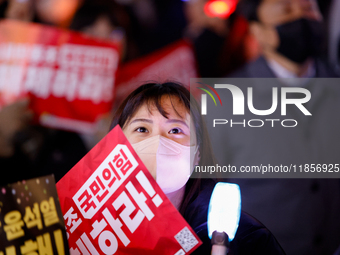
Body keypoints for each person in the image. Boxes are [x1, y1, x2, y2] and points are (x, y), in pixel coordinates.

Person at [204, 0, 340, 254]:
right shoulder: (224, 101)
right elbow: (208, 187)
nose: (301, 16)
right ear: (258, 31)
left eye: (308, 8)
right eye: (286, 11)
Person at [109, 81, 285, 254]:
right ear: (116, 145)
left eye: (176, 131)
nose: (158, 143)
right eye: (142, 129)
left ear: (197, 154)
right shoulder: (85, 227)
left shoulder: (244, 240)